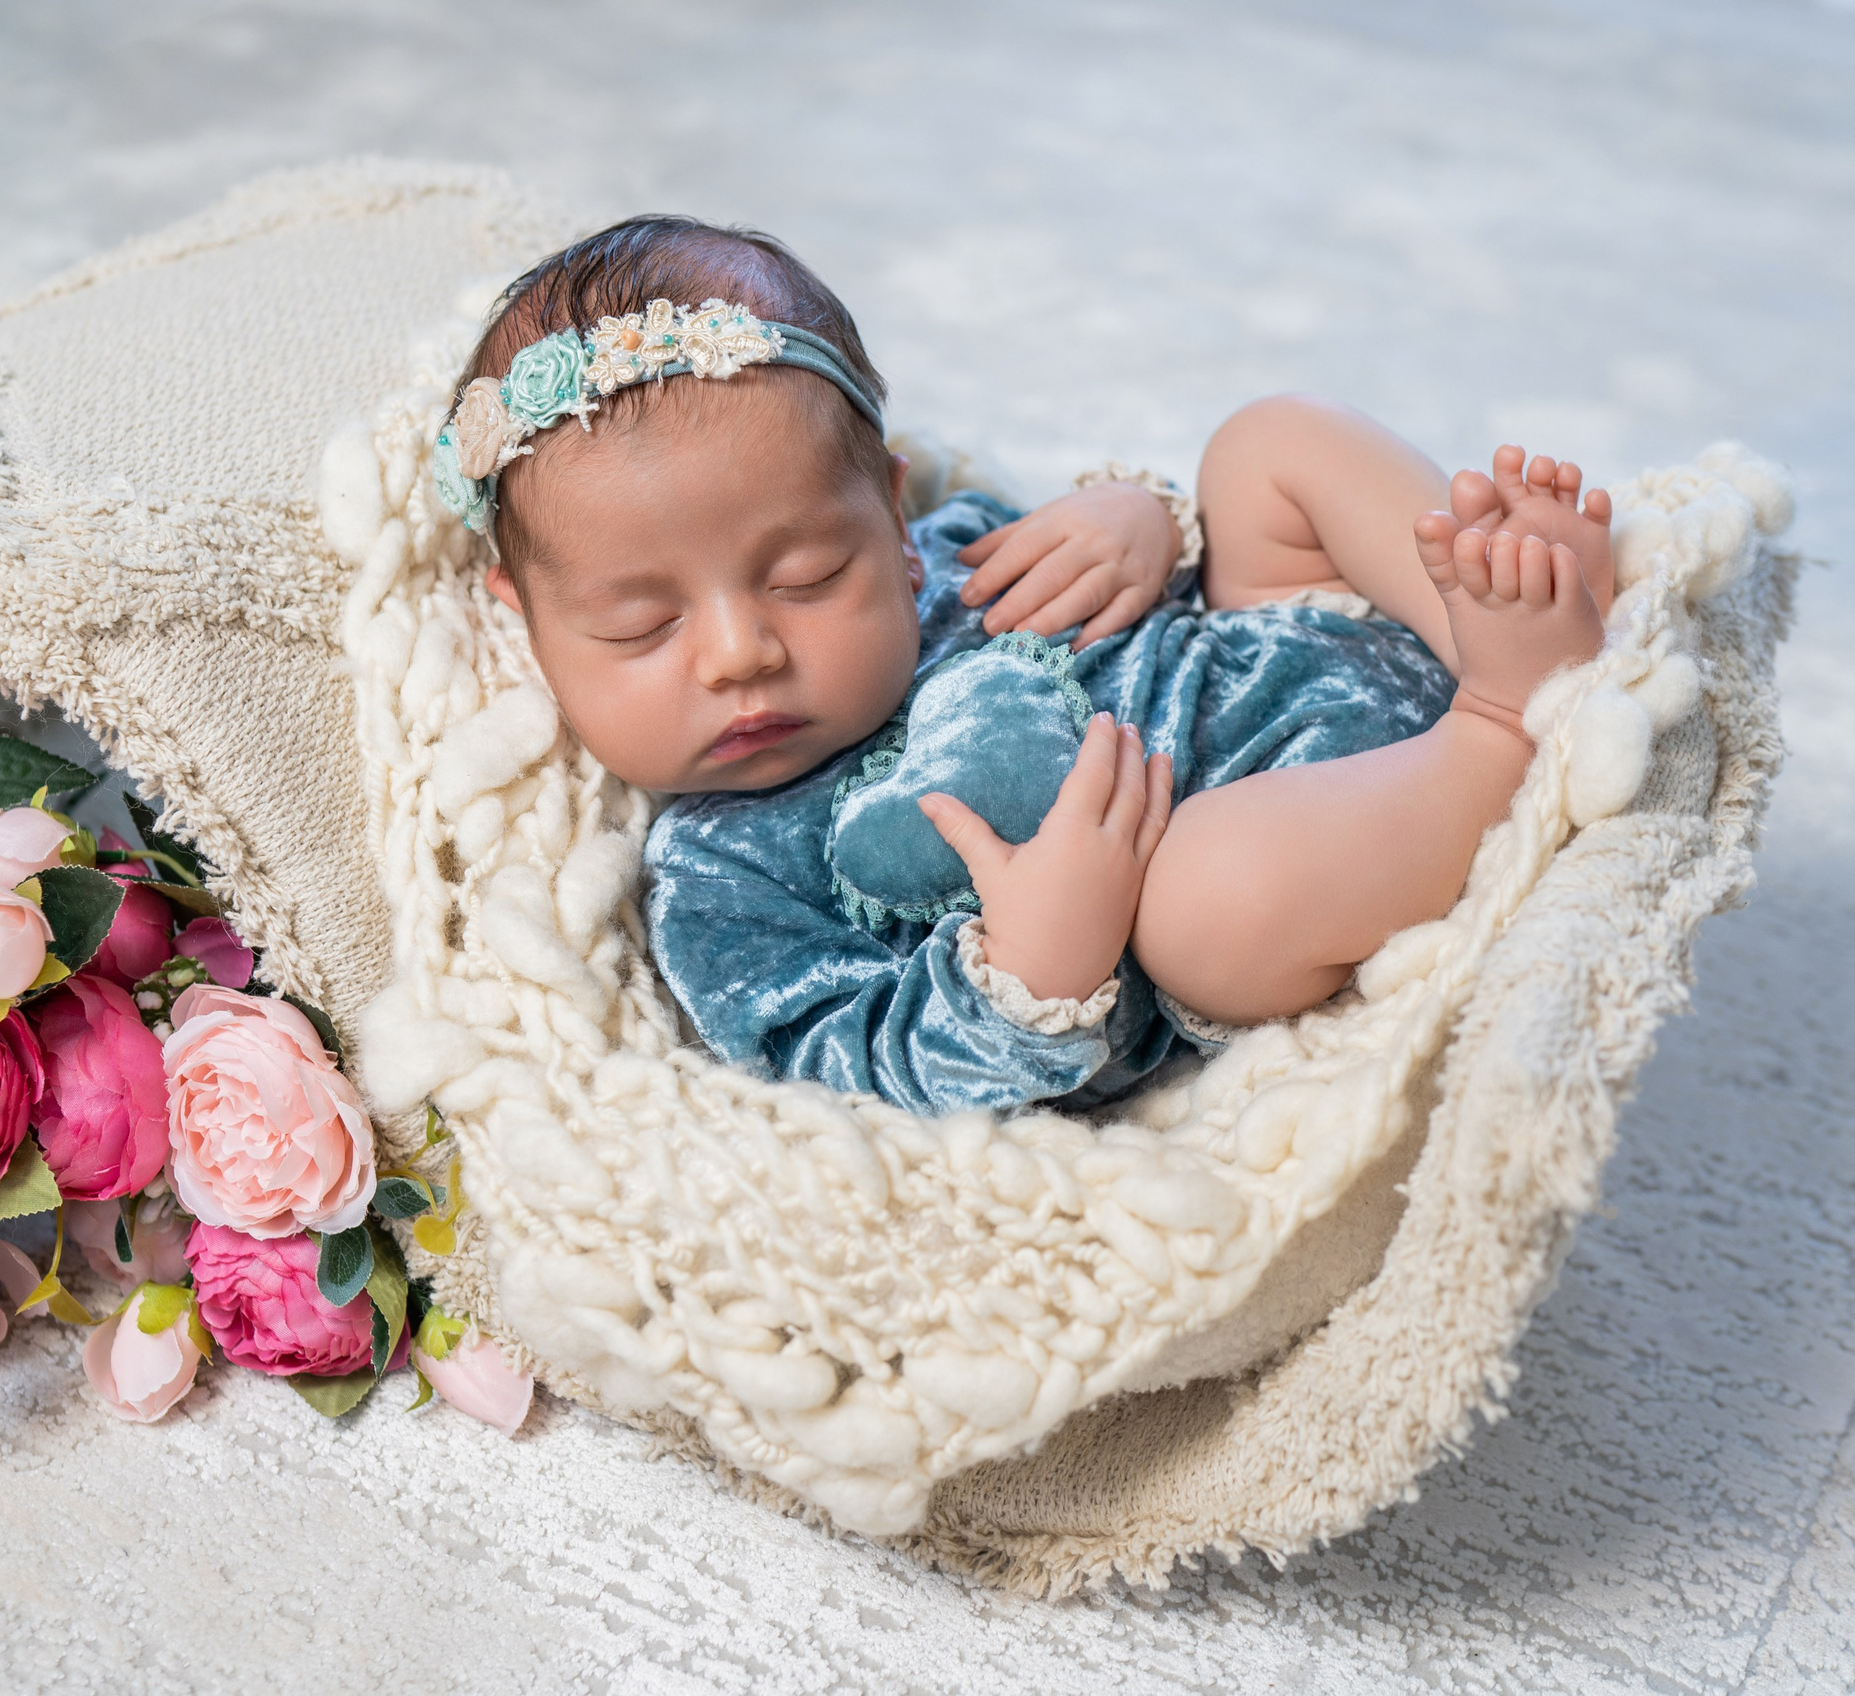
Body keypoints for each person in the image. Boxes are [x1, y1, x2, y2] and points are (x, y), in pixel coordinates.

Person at [432, 217, 1610, 1117]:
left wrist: (1135, 519)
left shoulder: (949, 564)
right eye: (641, 627)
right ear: (528, 626)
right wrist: (1031, 970)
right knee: (1206, 903)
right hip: (1299, 862)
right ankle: (1510, 715)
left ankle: (1481, 601)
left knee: (1268, 442)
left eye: (806, 575)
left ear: (892, 523)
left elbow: (1137, 569)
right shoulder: (718, 882)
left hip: (1282, 638)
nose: (742, 652)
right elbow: (849, 1074)